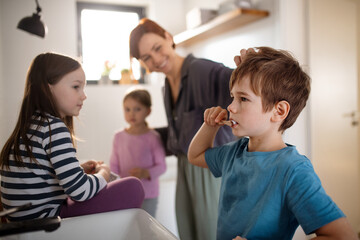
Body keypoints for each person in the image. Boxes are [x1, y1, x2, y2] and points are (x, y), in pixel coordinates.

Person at [187, 47, 357, 240]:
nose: (231, 106)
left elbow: (345, 237)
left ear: (279, 111)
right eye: (232, 96)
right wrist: (210, 125)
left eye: (243, 98)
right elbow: (195, 156)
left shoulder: (293, 170)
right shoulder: (233, 153)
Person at [0, 52, 144, 222]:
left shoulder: (29, 126)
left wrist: (78, 169)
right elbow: (80, 191)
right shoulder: (53, 127)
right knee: (133, 187)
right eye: (76, 87)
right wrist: (104, 174)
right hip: (48, 221)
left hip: (23, 221)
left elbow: (42, 180)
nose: (84, 95)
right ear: (48, 88)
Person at [129, 18, 236, 240]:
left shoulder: (201, 70)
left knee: (210, 234)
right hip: (184, 168)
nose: (156, 59)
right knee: (189, 233)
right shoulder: (167, 86)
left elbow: (243, 82)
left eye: (157, 48)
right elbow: (181, 133)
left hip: (210, 170)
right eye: (147, 58)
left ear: (168, 38)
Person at [109, 88, 166, 217]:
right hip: (124, 193)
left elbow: (162, 166)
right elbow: (113, 166)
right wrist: (113, 187)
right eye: (127, 109)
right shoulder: (118, 136)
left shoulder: (153, 137)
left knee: (146, 228)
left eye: (137, 109)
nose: (132, 114)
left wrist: (145, 172)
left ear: (148, 111)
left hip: (148, 194)